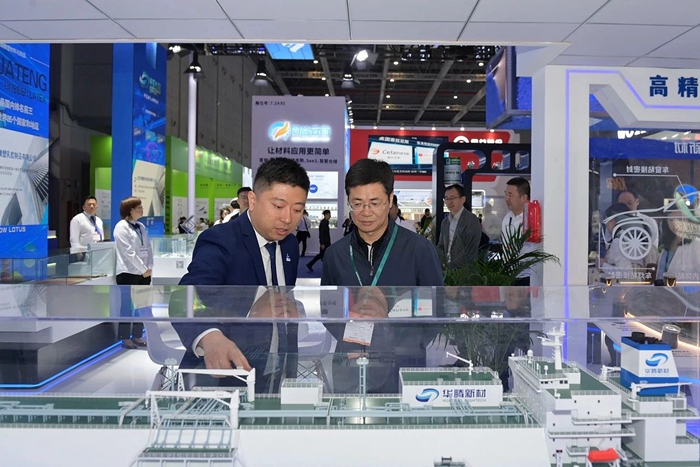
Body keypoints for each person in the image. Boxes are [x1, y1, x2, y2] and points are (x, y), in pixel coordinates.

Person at [177, 157, 310, 378]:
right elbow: (185, 296)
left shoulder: (290, 245)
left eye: (297, 210)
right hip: (229, 373)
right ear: (253, 200)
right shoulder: (221, 240)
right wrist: (210, 337)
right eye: (278, 206)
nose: (287, 218)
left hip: (278, 368)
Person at [321, 158, 443, 287]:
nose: (366, 212)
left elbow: (434, 299)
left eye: (375, 203)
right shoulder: (335, 254)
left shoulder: (420, 249)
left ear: (390, 200)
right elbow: (330, 299)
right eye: (357, 204)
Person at [113, 196, 152, 349]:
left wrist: (149, 266)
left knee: (142, 305)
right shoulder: (121, 227)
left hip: (144, 273)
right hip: (128, 273)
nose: (142, 209)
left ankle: (137, 335)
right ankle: (125, 337)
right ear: (130, 210)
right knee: (126, 307)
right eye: (139, 207)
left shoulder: (141, 226)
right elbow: (127, 252)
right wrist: (143, 269)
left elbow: (148, 247)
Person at [436, 184, 481, 269]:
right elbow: (441, 245)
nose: (449, 202)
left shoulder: (471, 220)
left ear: (463, 199)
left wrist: (449, 267)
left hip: (465, 272)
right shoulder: (445, 222)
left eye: (452, 198)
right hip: (447, 271)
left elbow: (469, 251)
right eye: (446, 198)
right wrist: (441, 262)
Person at [502, 177, 535, 286]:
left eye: (510, 195)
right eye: (506, 194)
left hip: (527, 276)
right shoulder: (507, 218)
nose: (506, 199)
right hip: (509, 275)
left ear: (524, 197)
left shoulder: (532, 218)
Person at [602, 202, 635, 273]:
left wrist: (602, 265)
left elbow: (626, 273)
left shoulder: (618, 242)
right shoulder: (631, 237)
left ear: (612, 221)